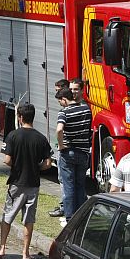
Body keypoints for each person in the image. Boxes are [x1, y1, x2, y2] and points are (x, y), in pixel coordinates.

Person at [0, 103, 52, 259]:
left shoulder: (13, 136)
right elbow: (48, 163)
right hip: (33, 183)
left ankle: (2, 248)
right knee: (29, 219)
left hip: (16, 183)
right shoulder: (41, 138)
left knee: (8, 215)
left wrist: (18, 164)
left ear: (20, 118)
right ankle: (25, 252)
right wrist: (36, 166)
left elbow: (7, 160)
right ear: (33, 117)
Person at [49, 88, 92, 222]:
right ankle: (81, 216)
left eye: (60, 101)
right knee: (80, 185)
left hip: (68, 153)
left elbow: (59, 129)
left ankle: (70, 217)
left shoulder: (64, 112)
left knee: (68, 187)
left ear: (64, 99)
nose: (60, 104)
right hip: (84, 152)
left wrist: (61, 145)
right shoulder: (86, 109)